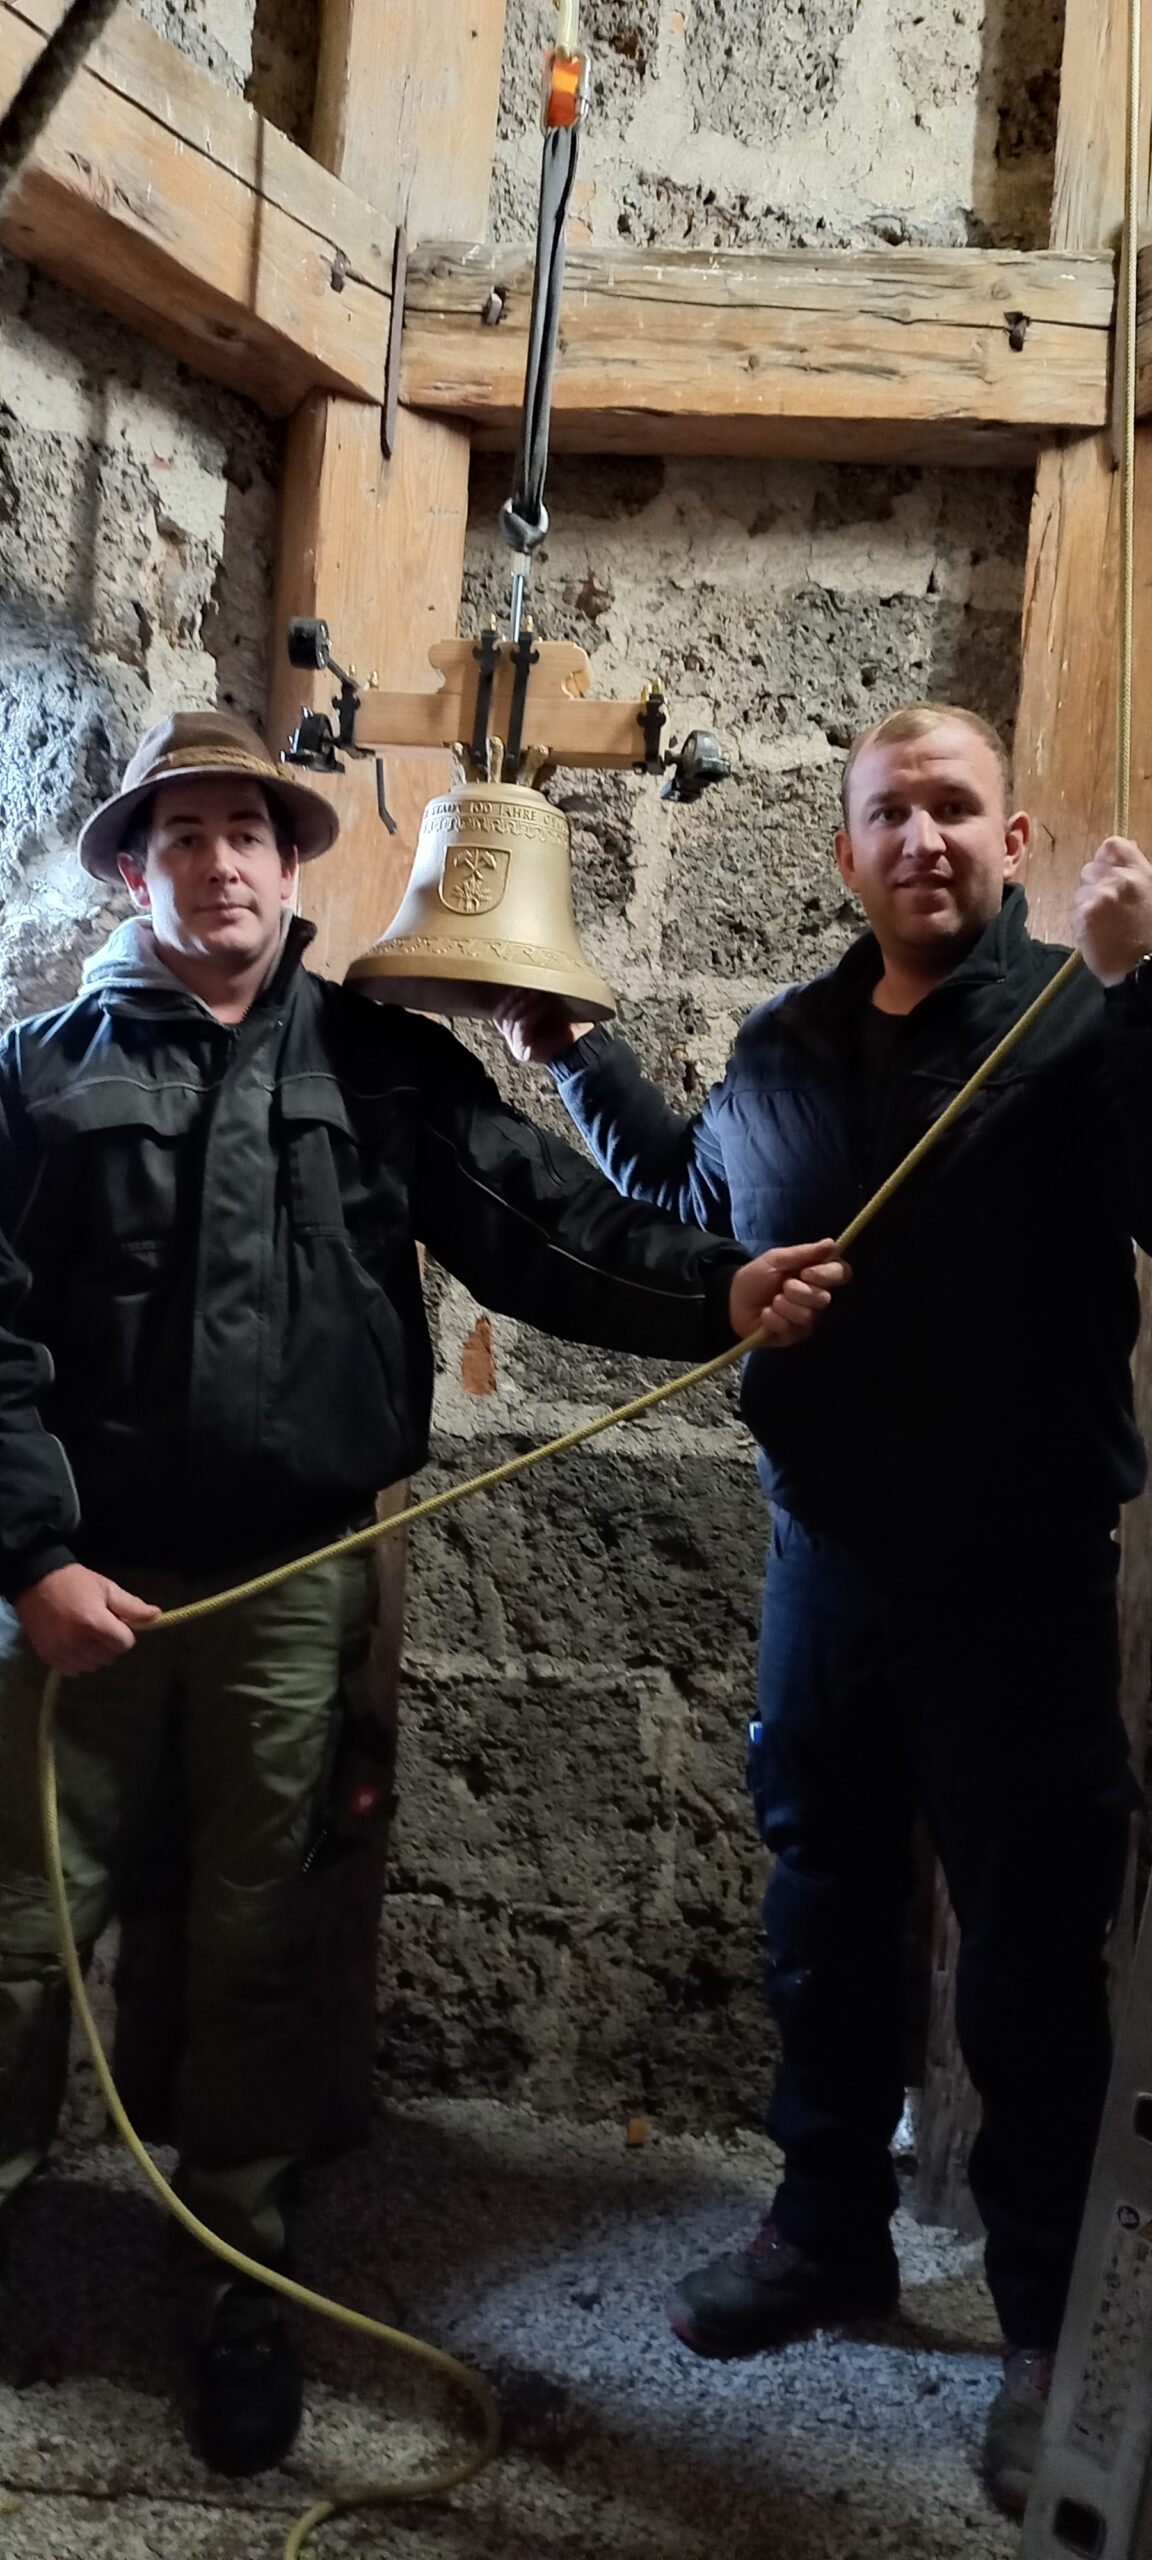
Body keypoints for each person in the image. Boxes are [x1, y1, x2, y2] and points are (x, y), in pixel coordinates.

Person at [0, 709, 844, 2478]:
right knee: (16, 1932)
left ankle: (237, 2274)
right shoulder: (39, 1075)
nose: (219, 863)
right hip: (80, 1593)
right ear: (136, 873)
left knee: (256, 1945)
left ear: (288, 863)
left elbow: (550, 1228)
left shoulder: (382, 1069)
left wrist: (718, 1289)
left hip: (293, 1588)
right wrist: (36, 1559)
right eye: (181, 835)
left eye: (247, 831)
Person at [497, 701, 1152, 2516]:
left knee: (1029, 1956)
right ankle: (826, 2231)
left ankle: (1039, 2325)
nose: (922, 838)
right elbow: (697, 1198)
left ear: (1012, 843)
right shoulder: (782, 1042)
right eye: (889, 814)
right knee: (824, 1907)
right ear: (844, 850)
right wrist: (576, 1058)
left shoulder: (1076, 1017)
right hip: (829, 1559)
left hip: (1018, 1574)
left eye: (955, 808)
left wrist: (1143, 981)